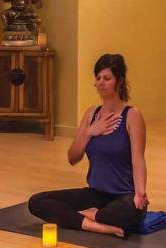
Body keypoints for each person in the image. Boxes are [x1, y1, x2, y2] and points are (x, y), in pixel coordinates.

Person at [28, 54, 148, 237]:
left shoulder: (132, 116)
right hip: (95, 195)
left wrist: (140, 192)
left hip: (123, 197)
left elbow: (138, 159)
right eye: (98, 78)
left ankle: (87, 216)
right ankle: (98, 225)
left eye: (107, 78)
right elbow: (72, 157)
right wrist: (90, 132)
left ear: (120, 81)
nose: (101, 82)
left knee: (132, 211)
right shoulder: (91, 114)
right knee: (37, 202)